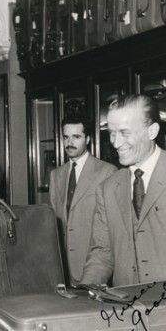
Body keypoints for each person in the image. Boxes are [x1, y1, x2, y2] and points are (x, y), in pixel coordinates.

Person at [81, 93, 166, 287]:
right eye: (111, 133)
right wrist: (85, 292)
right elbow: (102, 253)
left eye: (124, 132)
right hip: (127, 311)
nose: (115, 142)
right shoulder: (107, 188)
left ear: (152, 131)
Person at [50, 114, 116, 284]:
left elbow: (112, 230)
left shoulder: (107, 172)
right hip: (62, 269)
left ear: (88, 139)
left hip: (93, 268)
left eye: (76, 137)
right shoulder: (56, 175)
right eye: (66, 137)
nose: (69, 142)